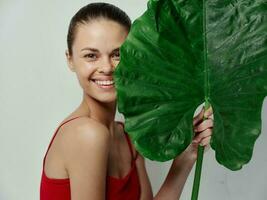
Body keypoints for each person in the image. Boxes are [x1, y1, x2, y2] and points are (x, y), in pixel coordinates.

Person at [40, 2, 214, 200]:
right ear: (70, 59)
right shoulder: (86, 134)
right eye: (91, 55)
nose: (106, 67)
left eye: (117, 54)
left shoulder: (127, 135)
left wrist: (187, 155)